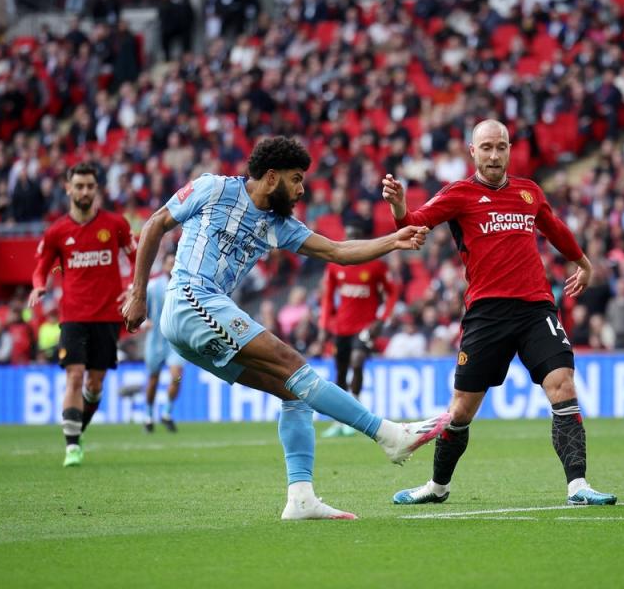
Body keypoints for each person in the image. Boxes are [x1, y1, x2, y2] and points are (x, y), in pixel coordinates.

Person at [121, 136, 449, 520]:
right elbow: (155, 223)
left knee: (293, 393)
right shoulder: (212, 188)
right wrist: (138, 292)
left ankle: (301, 498)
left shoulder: (280, 225)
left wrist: (393, 240)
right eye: (296, 179)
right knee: (291, 361)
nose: (301, 189)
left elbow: (338, 252)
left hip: (201, 321)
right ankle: (389, 435)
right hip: (189, 300)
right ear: (271, 176)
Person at [382, 119, 616, 506]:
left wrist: (584, 264)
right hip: (486, 315)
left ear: (509, 150)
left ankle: (578, 486)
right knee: (461, 411)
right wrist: (398, 206)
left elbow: (554, 228)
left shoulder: (528, 192)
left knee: (563, 385)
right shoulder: (458, 194)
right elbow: (413, 225)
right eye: (486, 147)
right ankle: (437, 487)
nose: (494, 154)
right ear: (472, 152)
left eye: (501, 147)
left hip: (535, 308)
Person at [28, 162, 137, 467]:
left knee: (95, 384)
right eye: (79, 186)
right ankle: (72, 446)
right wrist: (38, 286)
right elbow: (41, 267)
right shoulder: (56, 232)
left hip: (107, 316)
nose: (85, 191)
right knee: (74, 376)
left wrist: (132, 288)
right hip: (73, 315)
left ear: (97, 189)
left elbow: (136, 257)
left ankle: (78, 429)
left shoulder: (116, 225)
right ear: (68, 188)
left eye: (90, 186)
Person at [318, 222, 400, 438]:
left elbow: (392, 293)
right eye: (348, 237)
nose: (350, 241)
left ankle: (354, 414)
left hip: (365, 327)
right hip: (341, 327)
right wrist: (325, 325)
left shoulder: (376, 266)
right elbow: (327, 298)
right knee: (341, 372)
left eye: (354, 237)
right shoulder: (335, 265)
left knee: (357, 361)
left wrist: (381, 319)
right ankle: (339, 420)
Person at [143, 252, 183, 433]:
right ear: (164, 265)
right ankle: (149, 415)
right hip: (155, 340)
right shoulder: (152, 286)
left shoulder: (184, 286)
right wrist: (145, 322)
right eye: (169, 263)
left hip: (175, 341)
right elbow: (142, 309)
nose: (172, 266)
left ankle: (166, 413)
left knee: (177, 376)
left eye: (175, 263)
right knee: (153, 380)